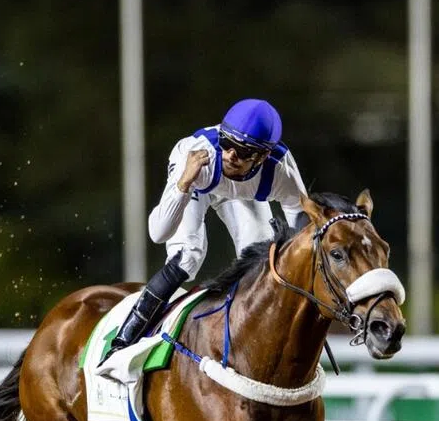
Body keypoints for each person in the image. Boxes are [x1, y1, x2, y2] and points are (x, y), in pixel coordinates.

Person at [98, 98, 308, 366]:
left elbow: (301, 230)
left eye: (243, 151)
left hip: (243, 194)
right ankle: (124, 342)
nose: (231, 155)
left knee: (262, 263)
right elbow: (158, 233)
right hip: (198, 183)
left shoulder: (282, 172)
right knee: (188, 256)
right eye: (227, 143)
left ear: (264, 156)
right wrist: (184, 182)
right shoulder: (198, 154)